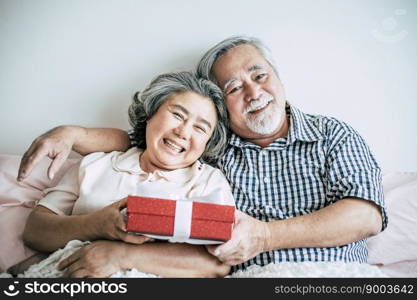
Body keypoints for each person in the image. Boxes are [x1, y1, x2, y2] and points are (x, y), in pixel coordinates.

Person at [18, 36, 387, 274]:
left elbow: (366, 216)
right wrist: (73, 134)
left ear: (278, 76)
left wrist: (263, 236)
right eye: (233, 87)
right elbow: (143, 141)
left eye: (259, 75)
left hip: (336, 277)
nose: (253, 92)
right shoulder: (215, 152)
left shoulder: (331, 134)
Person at [22, 71, 234, 278]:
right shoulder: (97, 163)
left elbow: (218, 263)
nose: (183, 132)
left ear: (208, 143)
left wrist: (119, 256)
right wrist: (96, 225)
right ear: (150, 114)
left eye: (200, 128)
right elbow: (35, 230)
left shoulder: (208, 182)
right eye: (177, 115)